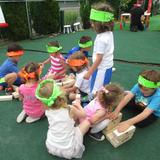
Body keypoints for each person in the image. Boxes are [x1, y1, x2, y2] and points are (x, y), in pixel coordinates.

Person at [35, 79, 91, 159]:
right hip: (69, 149)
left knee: (70, 119)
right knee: (87, 123)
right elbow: (84, 115)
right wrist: (78, 105)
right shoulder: (69, 109)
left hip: (51, 145)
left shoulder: (47, 110)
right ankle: (77, 129)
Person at [84, 3, 115, 95]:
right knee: (103, 86)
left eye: (93, 22)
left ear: (100, 24)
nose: (92, 25)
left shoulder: (102, 39)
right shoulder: (108, 33)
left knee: (97, 90)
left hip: (101, 68)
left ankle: (95, 104)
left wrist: (89, 72)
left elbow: (99, 58)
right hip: (106, 67)